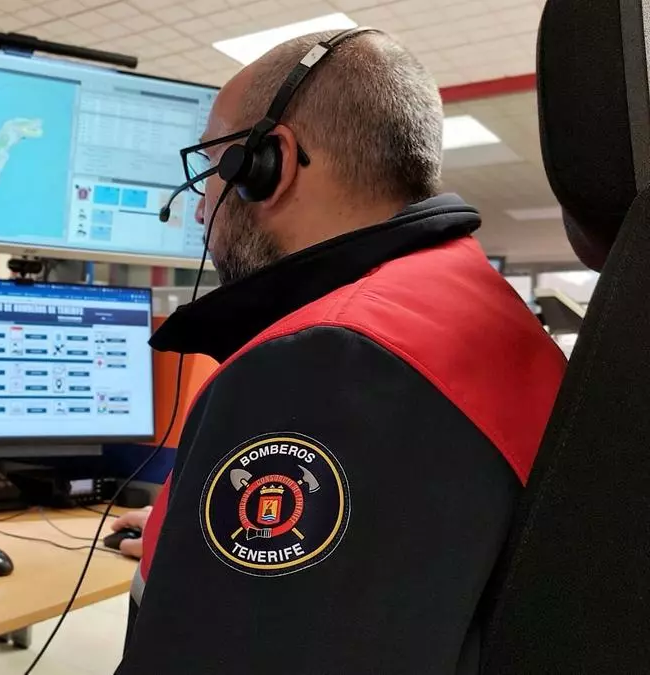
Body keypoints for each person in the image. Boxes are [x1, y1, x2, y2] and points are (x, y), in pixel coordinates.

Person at [114, 29, 566, 674]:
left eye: (210, 171)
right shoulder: (460, 304)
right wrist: (187, 533)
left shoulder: (330, 363)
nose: (199, 212)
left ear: (268, 163)